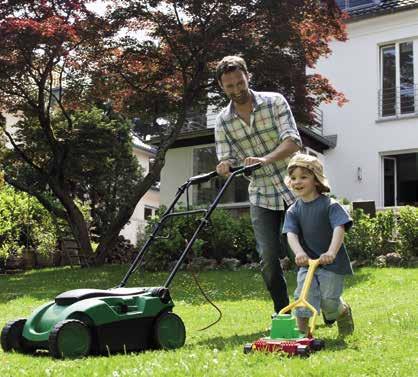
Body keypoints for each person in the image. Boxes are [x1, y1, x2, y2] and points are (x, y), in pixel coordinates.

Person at [214, 55, 302, 316]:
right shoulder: (223, 120)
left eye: (240, 82)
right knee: (268, 260)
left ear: (247, 76)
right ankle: (283, 314)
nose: (236, 90)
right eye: (230, 86)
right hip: (261, 194)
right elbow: (225, 157)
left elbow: (293, 141)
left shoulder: (274, 101)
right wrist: (224, 166)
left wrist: (265, 159)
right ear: (222, 86)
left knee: (303, 254)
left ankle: (319, 306)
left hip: (294, 188)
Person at [282, 154, 354, 337]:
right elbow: (291, 234)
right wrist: (298, 252)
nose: (297, 181)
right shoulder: (293, 210)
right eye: (294, 177)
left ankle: (343, 312)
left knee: (329, 303)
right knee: (303, 297)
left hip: (331, 263)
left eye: (303, 177)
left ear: (316, 180)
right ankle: (303, 335)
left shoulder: (330, 205)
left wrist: (331, 252)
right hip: (308, 263)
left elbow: (339, 228)